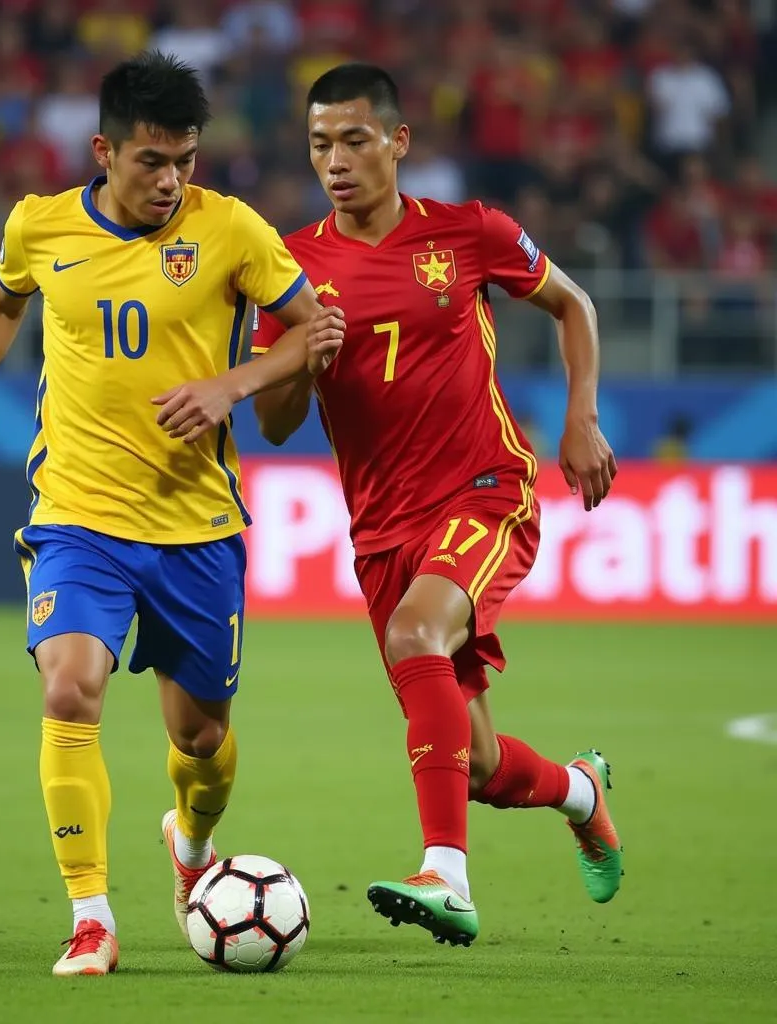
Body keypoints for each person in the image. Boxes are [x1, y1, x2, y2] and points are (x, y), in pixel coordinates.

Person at [0, 51, 332, 977]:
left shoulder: (234, 230)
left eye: (184, 159)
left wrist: (232, 385)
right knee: (68, 691)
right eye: (151, 160)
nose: (171, 179)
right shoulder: (40, 226)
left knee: (201, 739)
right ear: (104, 150)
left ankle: (190, 844)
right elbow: (0, 306)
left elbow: (315, 329)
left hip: (197, 527)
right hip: (78, 516)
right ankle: (91, 916)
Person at [250, 64, 622, 948]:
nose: (334, 162)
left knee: (414, 636)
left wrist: (580, 418)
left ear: (397, 141)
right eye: (318, 145)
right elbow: (272, 424)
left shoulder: (469, 232)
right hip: (380, 528)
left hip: (484, 489)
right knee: (482, 765)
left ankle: (445, 874)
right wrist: (307, 354)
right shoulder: (290, 266)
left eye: (352, 140)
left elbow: (574, 306)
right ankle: (581, 791)